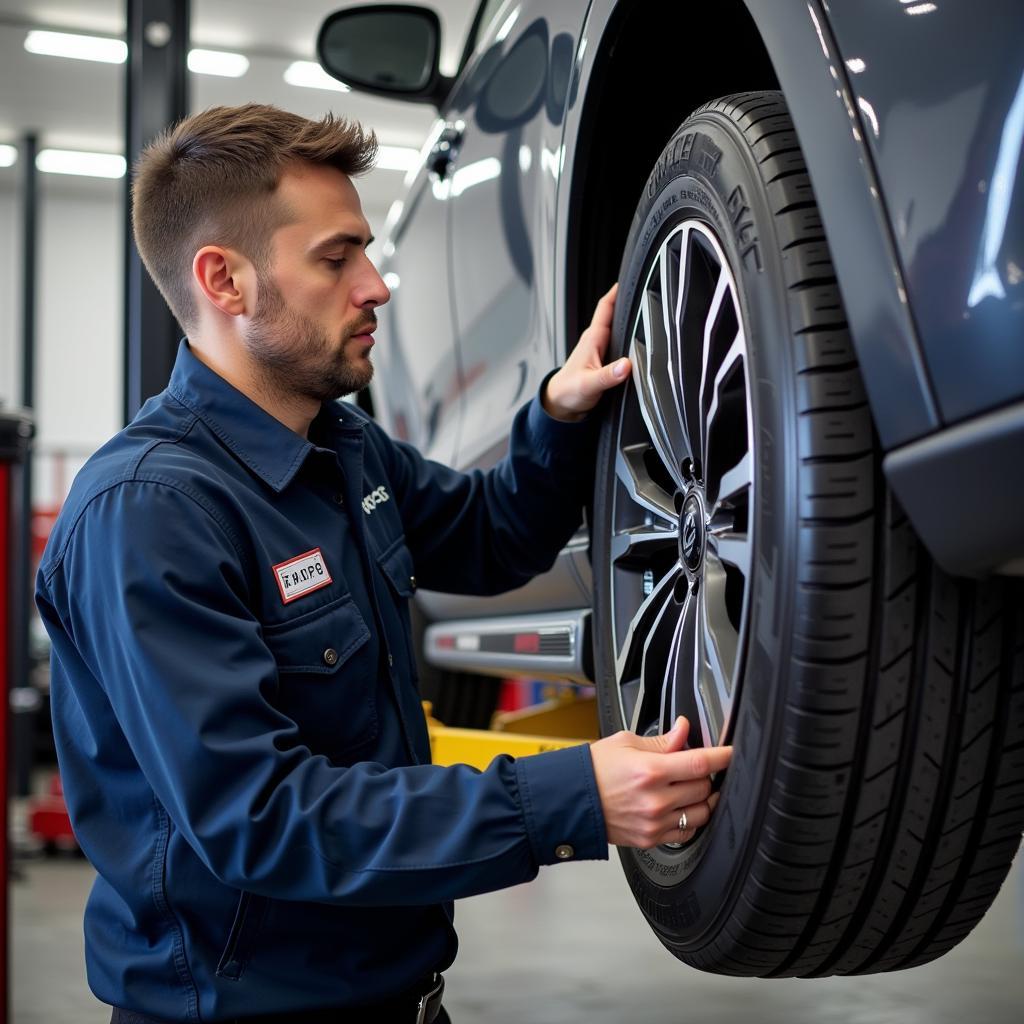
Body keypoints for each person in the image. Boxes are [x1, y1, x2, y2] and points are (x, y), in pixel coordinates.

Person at [34, 104, 732, 1024]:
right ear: (225, 281)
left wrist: (559, 417)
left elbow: (492, 533)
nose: (376, 285)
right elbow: (263, 817)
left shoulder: (343, 446)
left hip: (404, 999)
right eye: (336, 258)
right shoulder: (151, 512)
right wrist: (570, 796)